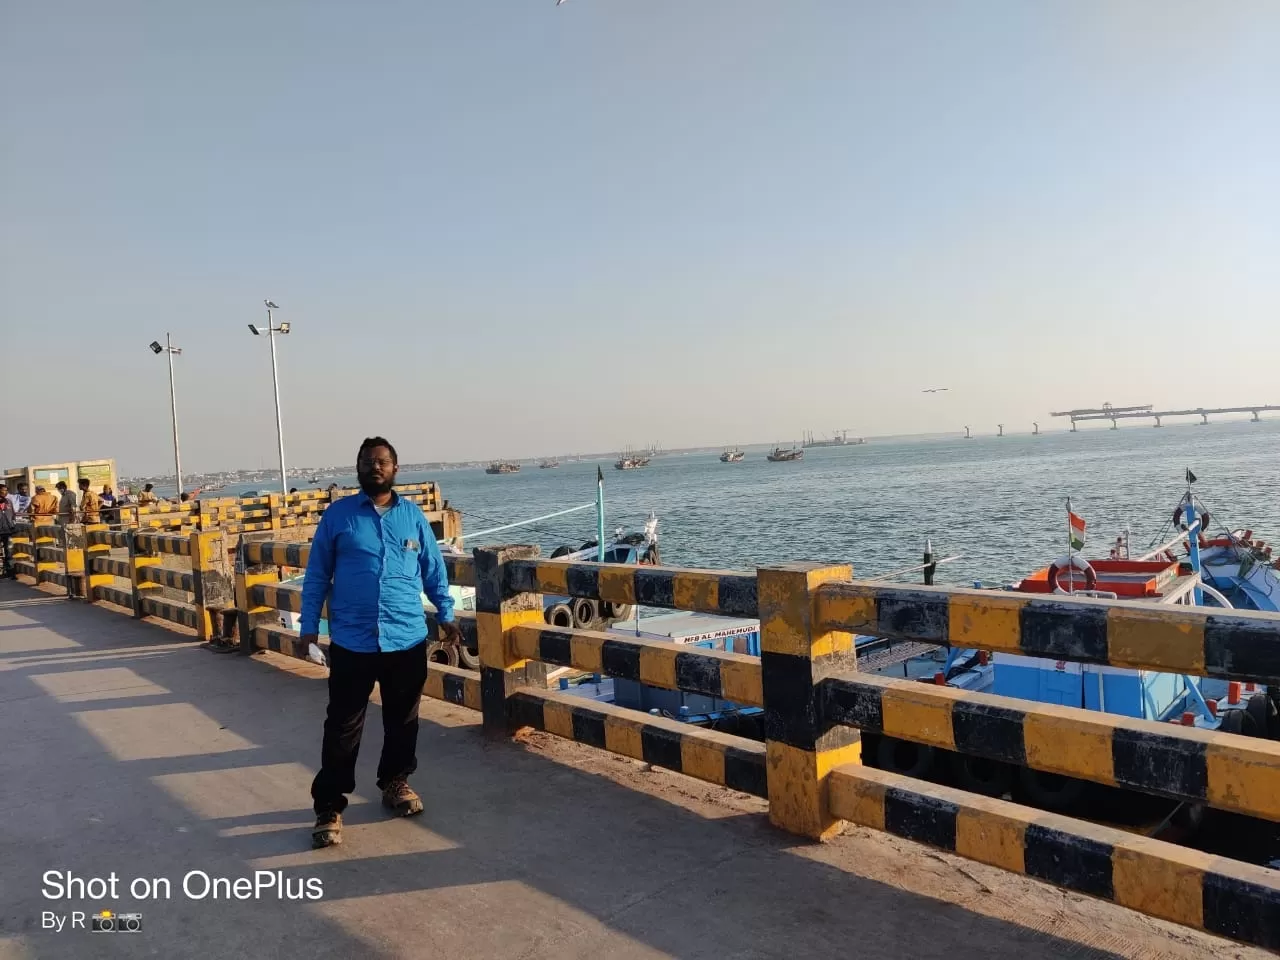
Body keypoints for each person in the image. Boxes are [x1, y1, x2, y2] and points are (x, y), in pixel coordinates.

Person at [301, 437, 461, 849]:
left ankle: (395, 782)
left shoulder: (413, 519)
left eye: (383, 462)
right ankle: (329, 805)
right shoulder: (338, 518)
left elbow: (433, 571)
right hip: (353, 640)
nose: (375, 467)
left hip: (406, 637)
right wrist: (308, 626)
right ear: (358, 468)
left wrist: (445, 613)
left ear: (395, 469)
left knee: (403, 719)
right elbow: (318, 573)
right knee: (342, 725)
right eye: (368, 462)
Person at [0, 486, 16, 578]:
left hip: (7, 531)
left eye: (6, 490)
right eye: (3, 490)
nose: (5, 492)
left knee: (9, 552)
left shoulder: (9, 502)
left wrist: (12, 525)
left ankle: (10, 572)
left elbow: (13, 515)